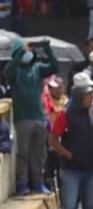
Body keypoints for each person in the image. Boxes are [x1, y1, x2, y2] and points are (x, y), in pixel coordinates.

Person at [7, 38, 59, 195]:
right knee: (23, 152)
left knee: (39, 153)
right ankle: (22, 183)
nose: (28, 54)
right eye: (24, 52)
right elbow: (9, 70)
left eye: (29, 51)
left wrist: (47, 48)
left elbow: (54, 67)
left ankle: (38, 183)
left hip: (38, 117)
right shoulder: (15, 72)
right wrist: (21, 51)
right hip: (22, 118)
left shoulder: (37, 68)